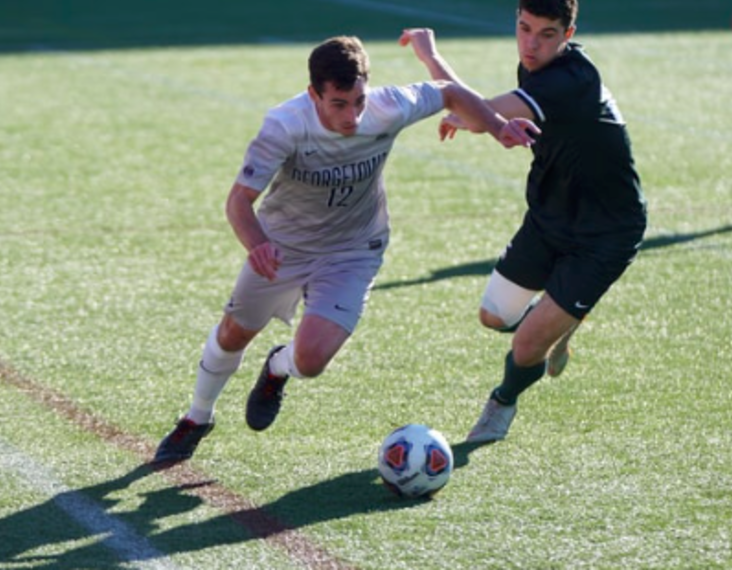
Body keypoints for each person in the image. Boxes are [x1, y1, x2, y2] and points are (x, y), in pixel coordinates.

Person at [153, 34, 539, 466]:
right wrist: (258, 245)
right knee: (233, 333)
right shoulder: (284, 125)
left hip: (353, 250)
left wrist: (497, 127)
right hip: (283, 248)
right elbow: (238, 201)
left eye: (358, 100)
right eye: (338, 103)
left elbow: (450, 92)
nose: (352, 115)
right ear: (313, 94)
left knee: (312, 360)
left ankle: (277, 369)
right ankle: (197, 417)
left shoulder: (388, 106)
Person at [402, 0, 648, 448]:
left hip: (605, 233)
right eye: (524, 28)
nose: (531, 45)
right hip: (549, 217)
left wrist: (432, 60)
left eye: (546, 34)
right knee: (494, 317)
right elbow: (481, 112)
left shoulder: (572, 79)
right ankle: (561, 316)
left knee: (526, 344)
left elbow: (479, 114)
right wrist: (464, 104)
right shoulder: (534, 72)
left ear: (568, 36)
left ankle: (502, 402)